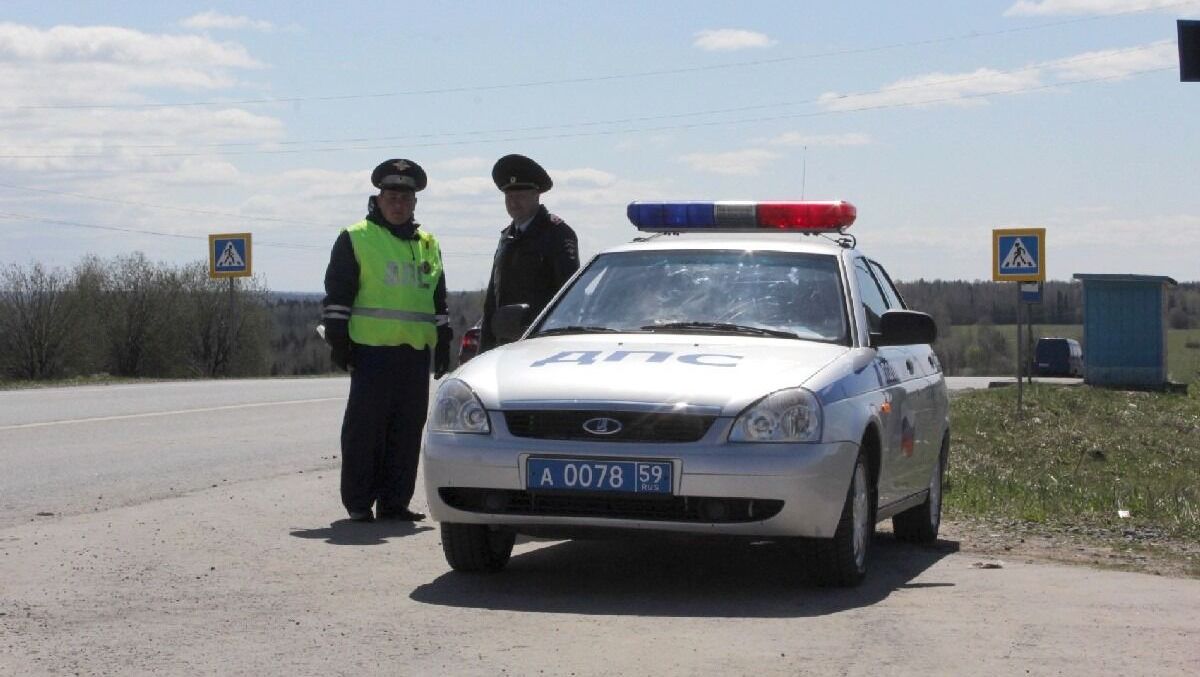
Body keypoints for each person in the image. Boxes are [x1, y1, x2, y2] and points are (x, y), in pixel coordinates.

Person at [320, 158, 451, 523]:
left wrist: (443, 340)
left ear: (415, 202)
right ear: (378, 199)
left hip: (414, 354)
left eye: (406, 198)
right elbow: (338, 296)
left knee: (406, 431)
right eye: (392, 197)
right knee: (366, 431)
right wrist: (339, 341)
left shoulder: (428, 243)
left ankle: (395, 502)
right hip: (371, 352)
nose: (398, 204)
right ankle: (359, 502)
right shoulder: (356, 237)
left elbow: (438, 301)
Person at [479, 154, 580, 351]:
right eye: (509, 196)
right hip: (504, 344)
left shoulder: (557, 233)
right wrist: (484, 348)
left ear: (537, 195)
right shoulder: (507, 237)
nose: (513, 203)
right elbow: (492, 300)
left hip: (541, 343)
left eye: (520, 196)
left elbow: (568, 296)